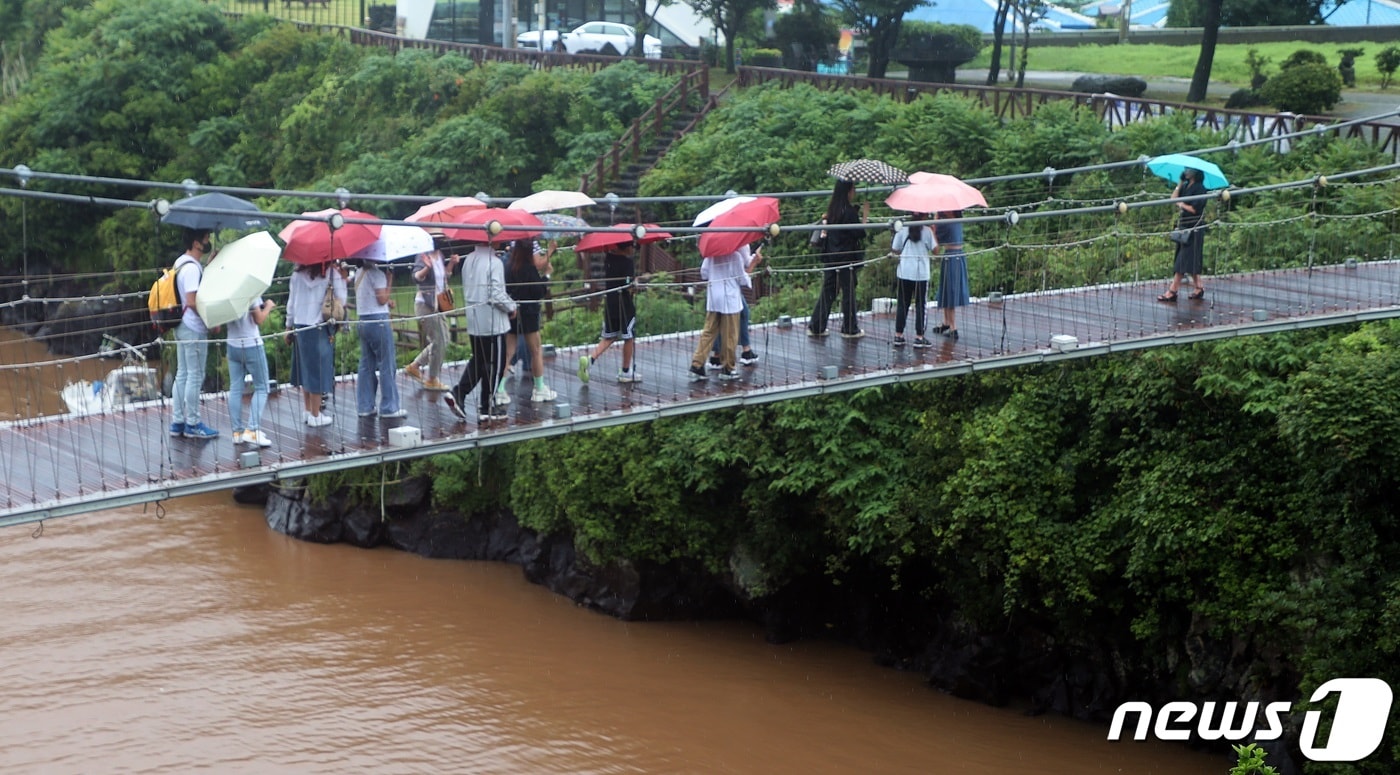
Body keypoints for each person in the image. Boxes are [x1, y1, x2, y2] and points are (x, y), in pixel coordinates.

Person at [444, 241, 516, 423]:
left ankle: (459, 393)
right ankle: (487, 406)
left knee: (479, 361)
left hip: (474, 320)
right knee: (496, 365)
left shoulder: (468, 260)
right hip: (493, 321)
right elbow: (496, 294)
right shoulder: (495, 262)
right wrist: (512, 307)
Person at [170, 228, 219, 440]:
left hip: (180, 325)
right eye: (206, 238)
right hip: (193, 327)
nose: (208, 240)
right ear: (197, 243)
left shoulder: (181, 263)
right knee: (195, 375)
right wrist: (210, 321)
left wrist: (208, 266)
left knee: (182, 373)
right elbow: (192, 300)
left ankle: (178, 421)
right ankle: (193, 423)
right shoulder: (191, 268)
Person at [285, 261, 347, 427]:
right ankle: (315, 414)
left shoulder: (296, 275)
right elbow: (342, 300)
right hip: (319, 327)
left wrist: (288, 326)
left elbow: (291, 303)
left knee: (305, 368)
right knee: (319, 370)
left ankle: (307, 410)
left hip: (300, 326)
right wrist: (343, 278)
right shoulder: (331, 274)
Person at [808, 179, 869, 338]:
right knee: (848, 292)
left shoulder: (832, 209)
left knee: (829, 290)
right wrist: (864, 218)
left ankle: (817, 325)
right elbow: (859, 233)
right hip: (846, 258)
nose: (854, 191)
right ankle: (850, 328)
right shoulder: (848, 212)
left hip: (830, 255)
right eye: (853, 188)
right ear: (848, 191)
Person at [578, 239, 641, 384]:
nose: (634, 249)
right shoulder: (627, 263)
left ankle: (590, 359)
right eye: (632, 246)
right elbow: (628, 287)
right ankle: (625, 371)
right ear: (626, 248)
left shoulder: (609, 259)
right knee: (629, 336)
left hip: (610, 302)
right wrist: (635, 283)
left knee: (610, 336)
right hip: (624, 304)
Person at [504, 239, 557, 403]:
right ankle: (539, 388)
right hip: (529, 314)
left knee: (508, 353)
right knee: (536, 350)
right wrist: (547, 276)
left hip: (512, 311)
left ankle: (499, 389)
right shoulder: (529, 268)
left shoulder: (509, 267)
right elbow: (538, 291)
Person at [689, 243, 751, 381]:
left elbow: (704, 273)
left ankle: (697, 364)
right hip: (729, 299)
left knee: (709, 331)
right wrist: (753, 267)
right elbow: (741, 279)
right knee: (730, 334)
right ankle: (728, 367)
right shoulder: (735, 256)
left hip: (714, 297)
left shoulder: (711, 254)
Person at [352, 260, 405, 419]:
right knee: (386, 362)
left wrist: (386, 302)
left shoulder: (359, 273)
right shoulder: (377, 274)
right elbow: (381, 299)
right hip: (379, 321)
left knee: (366, 364)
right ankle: (389, 407)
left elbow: (372, 298)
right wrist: (389, 281)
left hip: (363, 320)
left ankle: (365, 405)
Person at [404, 242, 459, 391]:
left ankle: (415, 366)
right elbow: (416, 277)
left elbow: (444, 277)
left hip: (439, 304)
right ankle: (432, 378)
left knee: (443, 340)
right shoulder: (423, 255)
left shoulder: (439, 255)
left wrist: (452, 264)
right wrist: (427, 267)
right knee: (439, 340)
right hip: (426, 305)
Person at [226, 296, 275, 448]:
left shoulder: (224, 293)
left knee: (235, 388)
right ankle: (252, 430)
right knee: (262, 388)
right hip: (251, 344)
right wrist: (268, 306)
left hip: (232, 344)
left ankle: (237, 432)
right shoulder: (249, 290)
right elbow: (258, 319)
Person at [1158, 168, 1210, 302]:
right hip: (1184, 226)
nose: (1187, 172)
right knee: (1188, 258)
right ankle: (1199, 287)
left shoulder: (1200, 189)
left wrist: (1181, 204)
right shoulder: (1187, 186)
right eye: (1186, 170)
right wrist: (1180, 183)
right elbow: (1173, 198)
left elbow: (1194, 209)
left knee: (1183, 260)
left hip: (1195, 228)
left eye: (1189, 170)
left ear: (1196, 172)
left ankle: (1172, 291)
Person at [709, 246, 762, 368]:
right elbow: (742, 277)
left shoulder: (714, 249)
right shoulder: (736, 252)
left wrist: (753, 260)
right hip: (729, 292)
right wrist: (754, 263)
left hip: (715, 292)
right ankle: (729, 362)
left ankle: (718, 356)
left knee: (717, 321)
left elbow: (704, 272)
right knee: (734, 320)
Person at [891, 217, 934, 348]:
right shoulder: (927, 231)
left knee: (902, 304)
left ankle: (899, 335)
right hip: (921, 273)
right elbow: (935, 249)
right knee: (921, 304)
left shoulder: (902, 228)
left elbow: (895, 248)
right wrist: (933, 230)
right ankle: (919, 336)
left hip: (904, 271)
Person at [934, 211, 971, 339]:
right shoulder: (957, 222)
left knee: (950, 289)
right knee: (947, 288)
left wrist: (936, 219)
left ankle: (953, 326)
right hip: (957, 256)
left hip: (951, 256)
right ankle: (946, 322)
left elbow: (936, 235)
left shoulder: (948, 223)